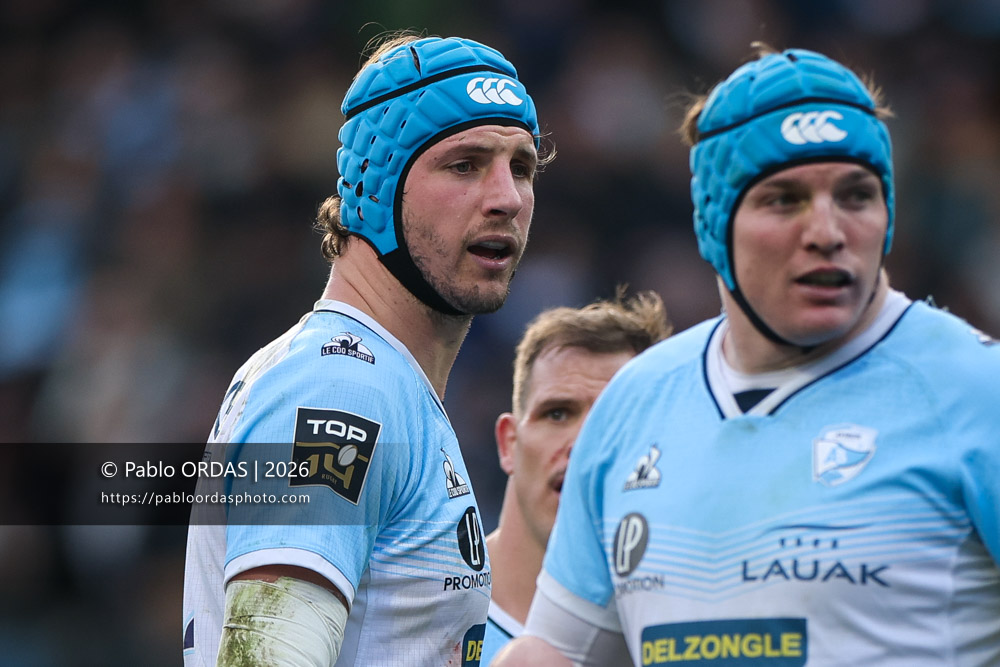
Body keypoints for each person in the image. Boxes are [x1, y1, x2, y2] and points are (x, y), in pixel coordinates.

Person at [495, 44, 1000, 666]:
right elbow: (553, 652)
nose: (827, 231)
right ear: (714, 223)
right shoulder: (634, 403)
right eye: (783, 200)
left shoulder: (977, 390)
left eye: (856, 194)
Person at [183, 31, 549, 666]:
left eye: (520, 166)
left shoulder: (382, 382)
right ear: (376, 188)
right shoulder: (340, 389)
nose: (507, 198)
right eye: (465, 164)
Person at [480, 290, 672, 665]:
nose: (585, 445)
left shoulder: (682, 633)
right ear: (509, 443)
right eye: (557, 413)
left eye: (615, 418)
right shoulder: (417, 604)